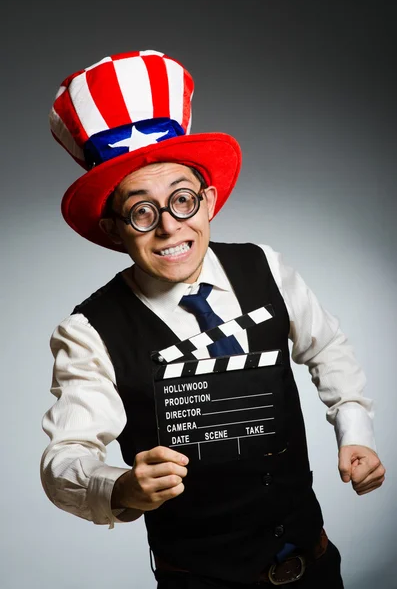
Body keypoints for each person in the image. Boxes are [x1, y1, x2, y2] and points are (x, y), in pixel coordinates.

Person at [41, 49, 385, 588]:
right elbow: (65, 457)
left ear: (209, 200)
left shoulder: (264, 266)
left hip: (313, 563)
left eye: (182, 200)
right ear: (114, 230)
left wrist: (354, 428)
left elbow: (327, 346)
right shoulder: (88, 332)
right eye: (141, 212)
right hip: (201, 579)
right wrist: (121, 487)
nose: (169, 228)